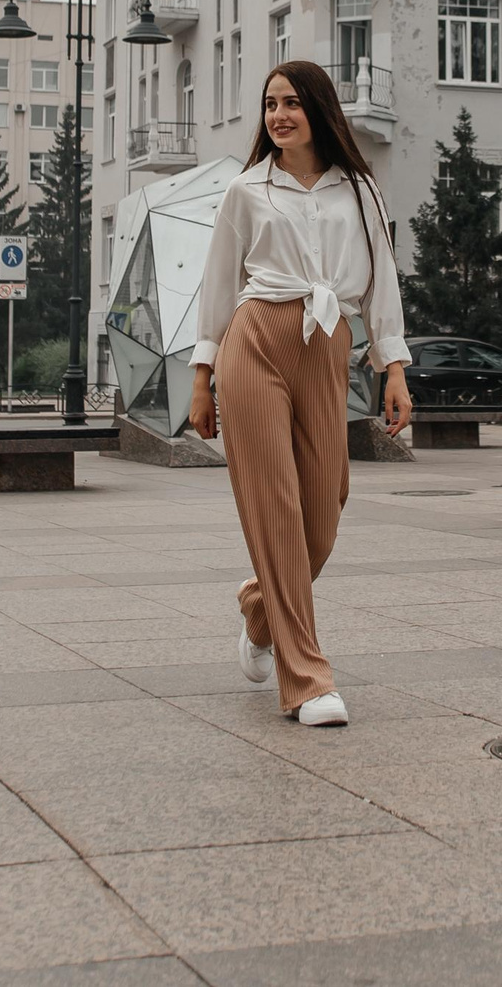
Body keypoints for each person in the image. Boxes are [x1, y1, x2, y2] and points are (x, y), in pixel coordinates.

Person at [186, 59, 411, 727]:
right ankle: (308, 680)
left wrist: (393, 366)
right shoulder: (246, 191)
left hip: (328, 342)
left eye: (291, 103)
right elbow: (219, 284)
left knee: (324, 507)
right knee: (276, 507)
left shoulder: (360, 190)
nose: (278, 115)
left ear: (318, 109)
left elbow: (383, 282)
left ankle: (260, 611)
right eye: (269, 104)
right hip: (254, 341)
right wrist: (202, 377)